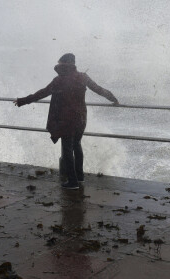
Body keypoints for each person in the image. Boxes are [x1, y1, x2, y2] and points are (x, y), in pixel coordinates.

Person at [14, 53, 119, 189]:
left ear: (64, 64)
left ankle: (72, 182)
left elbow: (41, 93)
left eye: (59, 63)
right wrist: (113, 99)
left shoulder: (59, 80)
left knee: (67, 148)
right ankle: (79, 177)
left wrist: (22, 101)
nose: (57, 65)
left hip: (66, 120)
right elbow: (99, 89)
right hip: (81, 118)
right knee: (77, 145)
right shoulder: (83, 77)